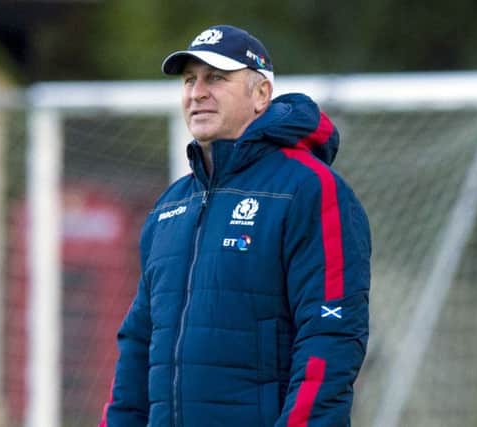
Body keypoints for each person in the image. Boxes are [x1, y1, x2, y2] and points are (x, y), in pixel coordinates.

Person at [99, 24, 371, 427]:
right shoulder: (170, 206)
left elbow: (330, 337)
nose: (197, 92)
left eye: (217, 78)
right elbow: (140, 346)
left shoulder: (310, 189)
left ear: (261, 94)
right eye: (190, 79)